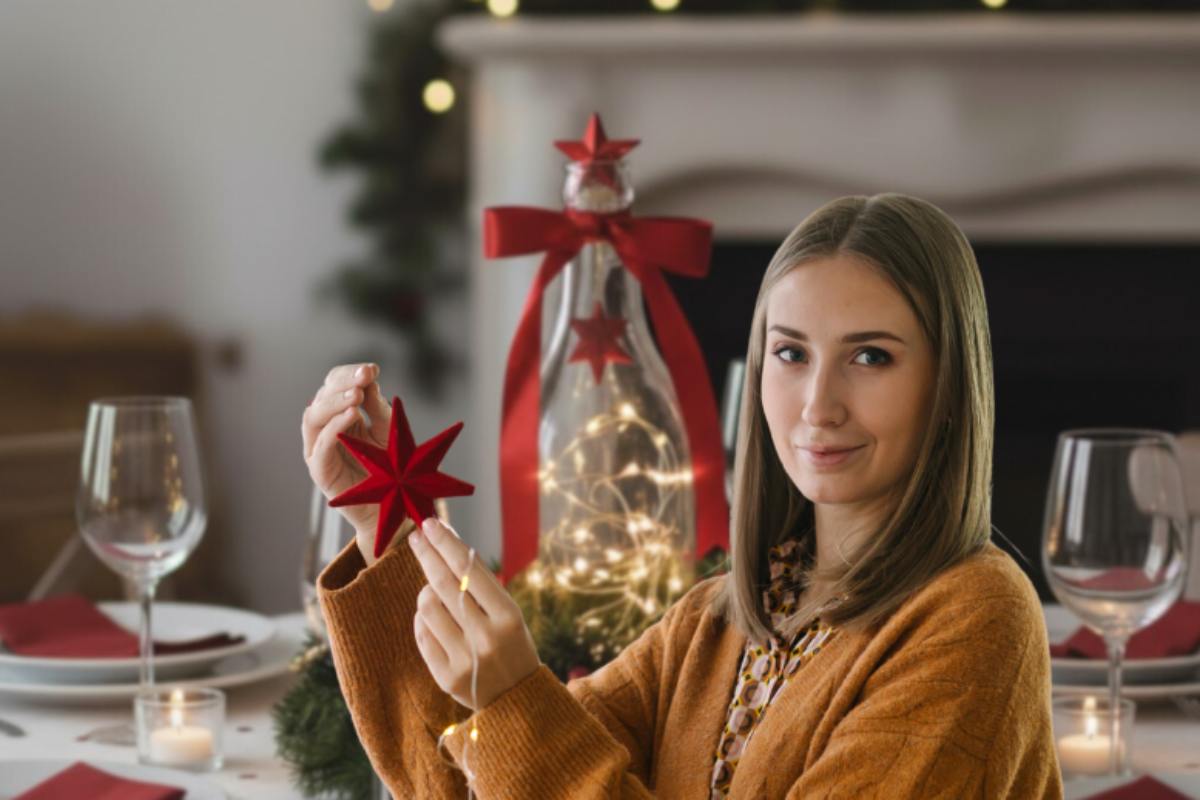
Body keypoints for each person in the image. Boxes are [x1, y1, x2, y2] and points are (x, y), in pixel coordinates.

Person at [303, 193, 1063, 799]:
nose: (817, 405)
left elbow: (526, 755)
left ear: (949, 385)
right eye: (791, 353)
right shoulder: (718, 618)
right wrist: (388, 527)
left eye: (871, 356)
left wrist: (514, 702)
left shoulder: (976, 617)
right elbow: (463, 786)